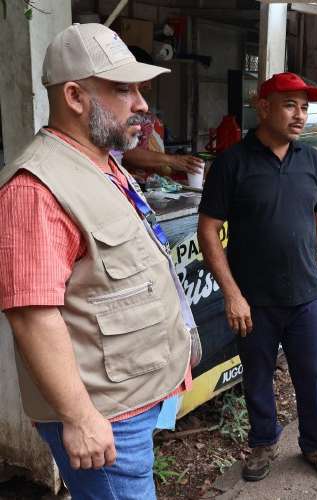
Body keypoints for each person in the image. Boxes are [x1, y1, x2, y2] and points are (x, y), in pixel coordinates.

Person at [0, 23, 194, 499]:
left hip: (129, 399)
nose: (142, 104)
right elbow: (32, 318)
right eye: (124, 89)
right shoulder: (35, 189)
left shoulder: (103, 163)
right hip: (105, 415)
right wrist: (81, 417)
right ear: (74, 96)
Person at [197, 72, 317, 483]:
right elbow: (208, 229)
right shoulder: (233, 162)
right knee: (258, 376)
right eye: (289, 105)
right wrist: (231, 294)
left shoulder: (311, 161)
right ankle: (263, 442)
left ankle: (316, 443)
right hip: (253, 299)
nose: (299, 115)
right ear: (263, 107)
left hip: (304, 295)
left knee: (311, 374)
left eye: (304, 107)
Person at [119, 46, 204, 179]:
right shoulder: (116, 113)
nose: (149, 86)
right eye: (145, 79)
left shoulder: (148, 117)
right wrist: (172, 160)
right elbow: (124, 152)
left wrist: (179, 166)